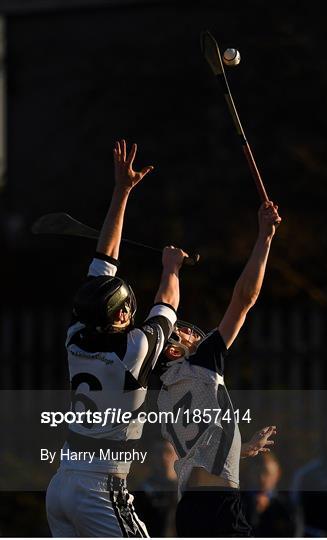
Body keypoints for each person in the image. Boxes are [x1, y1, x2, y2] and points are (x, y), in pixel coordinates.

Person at [46, 140, 187, 537]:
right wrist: (173, 267)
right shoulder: (134, 350)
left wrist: (121, 191)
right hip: (100, 489)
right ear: (122, 314)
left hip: (62, 483)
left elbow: (104, 257)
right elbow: (166, 305)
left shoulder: (77, 333)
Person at [158, 201, 281, 537]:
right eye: (180, 331)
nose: (188, 330)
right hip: (221, 507)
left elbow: (202, 456)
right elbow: (245, 298)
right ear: (173, 350)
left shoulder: (164, 391)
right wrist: (264, 238)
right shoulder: (201, 361)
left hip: (190, 510)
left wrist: (241, 449)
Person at [242, 453, 297, 537]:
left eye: (266, 472)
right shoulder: (237, 502)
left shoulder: (287, 505)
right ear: (249, 473)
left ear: (277, 473)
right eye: (257, 472)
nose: (261, 478)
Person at [133, 440, 178, 537]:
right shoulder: (141, 492)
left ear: (177, 456)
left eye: (168, 452)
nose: (163, 457)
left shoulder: (186, 489)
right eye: (159, 452)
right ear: (152, 457)